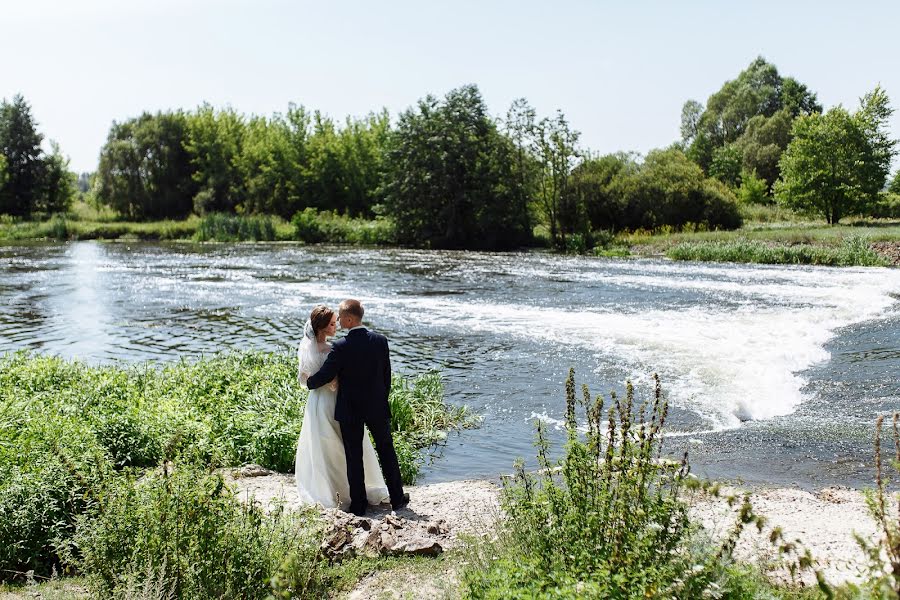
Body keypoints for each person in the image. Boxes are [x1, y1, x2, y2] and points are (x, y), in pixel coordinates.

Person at [307, 299, 408, 516]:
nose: (339, 322)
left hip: (350, 409)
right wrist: (381, 400)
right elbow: (386, 377)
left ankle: (359, 505)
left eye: (341, 318)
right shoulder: (380, 341)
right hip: (376, 407)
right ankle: (398, 499)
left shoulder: (342, 347)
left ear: (350, 318)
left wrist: (309, 383)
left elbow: (325, 375)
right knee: (386, 451)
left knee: (354, 457)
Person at [295, 304, 389, 510]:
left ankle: (352, 491)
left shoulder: (335, 347)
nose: (335, 325)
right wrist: (326, 382)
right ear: (321, 327)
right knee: (325, 444)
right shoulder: (314, 349)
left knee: (346, 445)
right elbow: (304, 378)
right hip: (321, 402)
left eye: (336, 321)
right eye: (331, 323)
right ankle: (329, 491)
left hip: (340, 400)